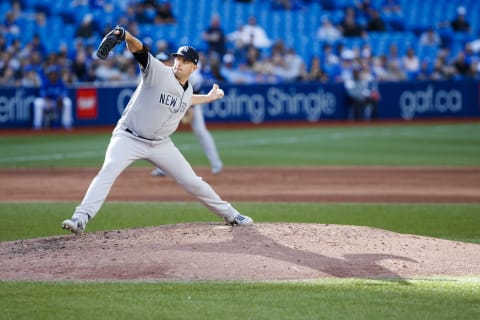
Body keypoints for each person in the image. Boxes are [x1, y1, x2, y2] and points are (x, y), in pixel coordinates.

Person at [61, 27, 253, 235]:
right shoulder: (159, 73)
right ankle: (80, 218)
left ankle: (232, 215)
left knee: (193, 182)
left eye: (185, 60)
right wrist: (125, 36)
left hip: (161, 144)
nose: (178, 62)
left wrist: (208, 97)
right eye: (177, 58)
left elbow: (187, 100)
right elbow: (140, 51)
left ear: (194, 67)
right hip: (128, 137)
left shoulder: (187, 89)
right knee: (108, 171)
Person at [151, 51, 224, 176]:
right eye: (159, 61)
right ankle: (162, 167)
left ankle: (216, 163)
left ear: (169, 62)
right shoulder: (155, 75)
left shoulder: (188, 74)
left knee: (201, 131)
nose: (162, 63)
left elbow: (195, 91)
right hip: (170, 105)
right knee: (160, 133)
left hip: (191, 102)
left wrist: (190, 108)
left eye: (164, 61)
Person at [32, 65, 73, 130]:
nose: (53, 75)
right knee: (38, 102)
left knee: (68, 102)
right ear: (49, 75)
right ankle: (37, 125)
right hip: (48, 102)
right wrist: (46, 99)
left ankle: (66, 124)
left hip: (57, 102)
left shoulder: (60, 82)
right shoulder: (46, 82)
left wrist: (61, 98)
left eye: (55, 74)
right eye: (52, 74)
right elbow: (42, 93)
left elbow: (65, 93)